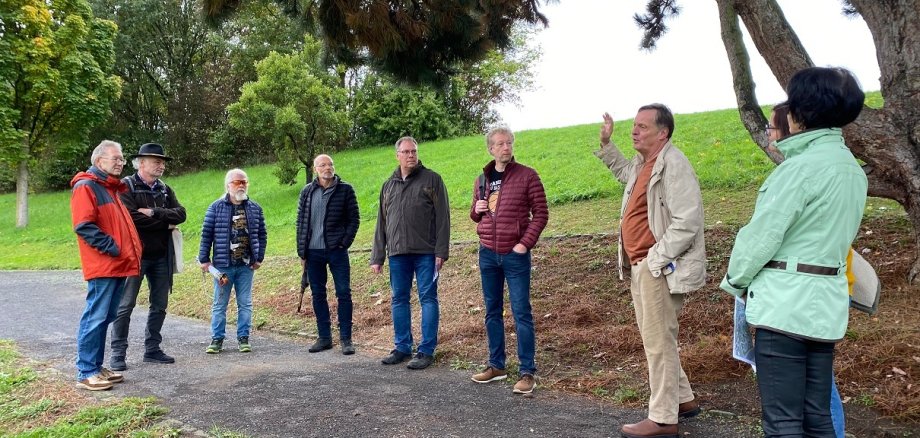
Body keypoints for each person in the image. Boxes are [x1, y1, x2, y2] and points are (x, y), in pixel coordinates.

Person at [720, 67, 867, 437]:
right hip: (826, 304)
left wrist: (735, 280)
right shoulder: (851, 168)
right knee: (816, 416)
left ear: (801, 113)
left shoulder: (799, 169)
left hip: (785, 304)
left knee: (783, 419)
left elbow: (761, 237)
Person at [595, 104, 706, 438]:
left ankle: (663, 418)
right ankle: (683, 400)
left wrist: (656, 260)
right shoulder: (644, 164)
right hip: (641, 266)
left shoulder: (674, 163)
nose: (634, 131)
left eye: (642, 126)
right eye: (634, 125)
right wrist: (606, 145)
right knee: (656, 340)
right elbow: (623, 173)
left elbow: (688, 221)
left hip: (657, 268)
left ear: (663, 132)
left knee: (659, 344)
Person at [469, 127, 549, 395]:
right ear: (491, 149)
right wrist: (476, 210)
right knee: (492, 311)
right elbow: (476, 214)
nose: (506, 147)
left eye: (509, 142)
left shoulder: (527, 176)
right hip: (487, 254)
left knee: (521, 312)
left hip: (514, 256)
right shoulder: (482, 178)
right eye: (500, 144)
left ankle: (527, 372)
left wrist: (523, 244)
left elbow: (540, 214)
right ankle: (497, 366)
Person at [370, 136, 450, 370]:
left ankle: (426, 351)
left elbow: (443, 217)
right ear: (397, 155)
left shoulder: (432, 180)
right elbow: (381, 223)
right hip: (397, 254)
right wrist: (377, 256)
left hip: (426, 252)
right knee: (399, 300)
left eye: (413, 151)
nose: (410, 155)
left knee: (428, 299)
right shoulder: (388, 185)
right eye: (405, 152)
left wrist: (441, 251)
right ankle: (402, 347)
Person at [70, 140, 143, 390]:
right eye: (116, 158)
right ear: (99, 160)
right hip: (104, 265)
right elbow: (84, 226)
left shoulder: (111, 188)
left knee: (107, 316)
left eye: (122, 158)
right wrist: (112, 247)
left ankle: (96, 366)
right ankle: (86, 370)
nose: (121, 162)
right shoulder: (86, 186)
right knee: (96, 316)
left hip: (118, 265)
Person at [109, 143, 186, 371]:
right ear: (141, 163)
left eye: (162, 162)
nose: (161, 165)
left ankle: (152, 349)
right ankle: (117, 353)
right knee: (125, 305)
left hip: (162, 256)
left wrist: (154, 212)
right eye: (156, 161)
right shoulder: (126, 186)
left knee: (159, 305)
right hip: (135, 256)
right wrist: (165, 222)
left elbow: (181, 214)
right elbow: (131, 218)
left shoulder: (165, 189)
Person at [296, 154, 360, 355]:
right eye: (322, 165)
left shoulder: (345, 190)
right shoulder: (307, 192)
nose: (327, 168)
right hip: (313, 253)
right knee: (318, 294)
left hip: (336, 251)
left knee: (344, 293)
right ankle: (324, 337)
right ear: (316, 169)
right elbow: (301, 222)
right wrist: (301, 251)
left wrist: (344, 243)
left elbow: (354, 220)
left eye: (330, 164)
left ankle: (346, 339)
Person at [198, 169, 267, 354]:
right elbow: (206, 235)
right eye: (237, 182)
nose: (242, 185)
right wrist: (204, 259)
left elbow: (262, 235)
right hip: (222, 266)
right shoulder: (215, 207)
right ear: (228, 185)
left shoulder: (255, 208)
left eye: (244, 182)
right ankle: (217, 339)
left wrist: (259, 258)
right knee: (220, 304)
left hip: (246, 266)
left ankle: (243, 338)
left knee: (245, 303)